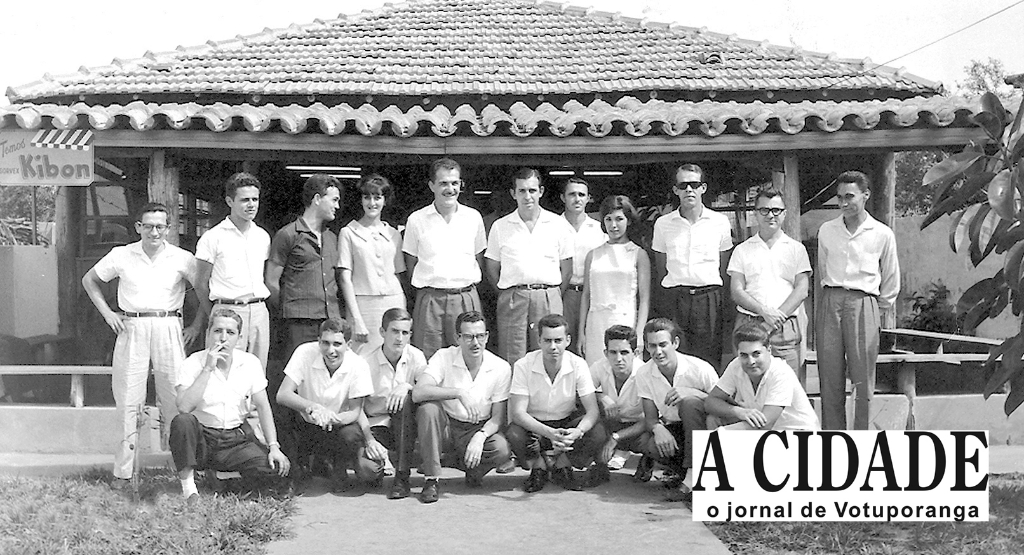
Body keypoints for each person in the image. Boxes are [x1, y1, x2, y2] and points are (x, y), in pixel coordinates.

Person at [82, 202, 202, 490]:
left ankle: (183, 474)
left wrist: (197, 325)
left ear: (169, 228)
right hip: (132, 326)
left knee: (176, 398)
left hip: (168, 325)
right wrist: (108, 313)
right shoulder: (121, 255)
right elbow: (90, 280)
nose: (154, 231)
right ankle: (123, 474)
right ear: (138, 227)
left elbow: (205, 290)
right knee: (128, 399)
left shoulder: (182, 257)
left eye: (160, 226)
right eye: (148, 225)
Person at [169, 309, 290, 501]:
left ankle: (220, 478)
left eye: (230, 333)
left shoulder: (250, 363)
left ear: (239, 338)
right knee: (182, 422)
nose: (223, 338)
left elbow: (263, 406)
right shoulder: (193, 363)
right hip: (203, 438)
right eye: (217, 331)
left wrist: (273, 446)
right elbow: (183, 407)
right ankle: (190, 488)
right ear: (208, 333)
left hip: (234, 439)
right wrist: (208, 368)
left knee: (273, 471)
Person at [816, 170, 900, 430]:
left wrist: (877, 308)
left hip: (864, 303)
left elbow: (891, 276)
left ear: (865, 195)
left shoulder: (882, 233)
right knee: (829, 376)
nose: (843, 203)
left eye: (849, 196)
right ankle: (833, 438)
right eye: (839, 197)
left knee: (863, 378)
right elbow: (822, 268)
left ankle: (861, 439)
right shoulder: (827, 230)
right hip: (831, 301)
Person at [411, 311, 513, 503]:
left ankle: (469, 468)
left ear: (487, 336)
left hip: (476, 428)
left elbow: (498, 418)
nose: (475, 343)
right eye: (468, 337)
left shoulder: (501, 367)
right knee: (428, 409)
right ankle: (431, 479)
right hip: (448, 426)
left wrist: (480, 437)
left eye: (480, 336)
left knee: (500, 449)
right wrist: (458, 392)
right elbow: (418, 392)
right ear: (458, 338)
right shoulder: (443, 356)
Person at [276, 318, 384, 492]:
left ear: (348, 345)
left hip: (338, 425)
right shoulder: (304, 352)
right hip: (307, 422)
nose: (330, 350)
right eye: (325, 343)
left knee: (351, 436)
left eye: (337, 344)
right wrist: (313, 407)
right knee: (282, 414)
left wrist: (332, 418)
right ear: (318, 341)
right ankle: (296, 467)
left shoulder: (358, 365)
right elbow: (283, 394)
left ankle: (338, 465)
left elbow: (355, 410)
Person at [507, 314, 606, 493]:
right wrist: (549, 433)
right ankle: (539, 467)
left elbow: (592, 411)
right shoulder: (523, 365)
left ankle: (562, 465)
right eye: (547, 340)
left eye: (558, 340)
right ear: (539, 341)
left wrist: (578, 432)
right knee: (514, 433)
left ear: (567, 340)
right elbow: (518, 413)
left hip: (566, 422)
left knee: (597, 431)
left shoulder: (578, 364)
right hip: (535, 426)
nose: (553, 347)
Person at [485, 168, 574, 364]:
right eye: (522, 191)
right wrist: (506, 293)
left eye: (532, 190)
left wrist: (552, 294)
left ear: (541, 191)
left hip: (548, 295)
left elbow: (567, 269)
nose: (528, 196)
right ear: (513, 193)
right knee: (512, 354)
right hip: (513, 297)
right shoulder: (500, 226)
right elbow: (491, 267)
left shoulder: (558, 224)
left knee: (549, 353)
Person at [403, 158, 487, 360]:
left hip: (465, 297)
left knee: (468, 357)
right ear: (432, 185)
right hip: (431, 299)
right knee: (428, 359)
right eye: (443, 183)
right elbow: (411, 263)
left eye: (454, 183)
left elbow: (479, 258)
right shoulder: (416, 220)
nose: (450, 189)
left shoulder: (473, 217)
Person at [651, 163, 733, 369]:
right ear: (675, 190)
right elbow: (661, 267)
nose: (689, 189)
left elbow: (724, 266)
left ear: (703, 188)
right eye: (684, 185)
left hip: (708, 299)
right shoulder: (663, 224)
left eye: (694, 185)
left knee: (708, 360)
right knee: (674, 359)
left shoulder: (720, 222)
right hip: (675, 299)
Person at [727, 189, 811, 385]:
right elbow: (737, 291)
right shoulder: (742, 249)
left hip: (785, 326)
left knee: (787, 387)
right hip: (749, 324)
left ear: (784, 213)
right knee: (748, 387)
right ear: (755, 213)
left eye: (776, 210)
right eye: (764, 210)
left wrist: (775, 318)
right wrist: (764, 312)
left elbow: (801, 290)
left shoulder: (796, 249)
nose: (770, 215)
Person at [195, 172, 272, 369]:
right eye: (245, 200)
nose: (251, 205)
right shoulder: (213, 237)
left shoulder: (262, 236)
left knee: (256, 372)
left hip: (258, 310)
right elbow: (200, 284)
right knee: (222, 370)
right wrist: (215, 313)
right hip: (226, 309)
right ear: (230, 201)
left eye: (255, 199)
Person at [635, 318, 718, 501]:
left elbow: (722, 405)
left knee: (689, 404)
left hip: (704, 429)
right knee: (649, 444)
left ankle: (691, 479)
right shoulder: (644, 373)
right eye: (652, 346)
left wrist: (692, 392)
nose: (658, 352)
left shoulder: (699, 368)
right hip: (676, 427)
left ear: (675, 343)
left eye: (663, 344)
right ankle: (686, 472)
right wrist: (658, 429)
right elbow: (650, 418)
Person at [266, 174, 343, 358]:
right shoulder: (287, 235)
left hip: (330, 320)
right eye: (334, 200)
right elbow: (271, 281)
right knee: (299, 373)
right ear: (317, 199)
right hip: (298, 323)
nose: (337, 206)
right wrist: (291, 308)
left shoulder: (332, 238)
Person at [360, 308, 427, 499]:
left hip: (407, 424)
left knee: (405, 400)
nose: (399, 338)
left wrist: (407, 385)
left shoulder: (416, 356)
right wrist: (369, 440)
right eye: (394, 331)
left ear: (410, 335)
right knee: (368, 471)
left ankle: (402, 477)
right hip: (376, 425)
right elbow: (357, 407)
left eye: (405, 333)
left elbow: (427, 386)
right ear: (382, 332)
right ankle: (381, 464)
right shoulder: (366, 362)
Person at [338, 174, 407, 355]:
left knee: (393, 353)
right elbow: (345, 278)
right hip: (363, 305)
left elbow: (399, 274)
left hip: (394, 301)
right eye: (367, 197)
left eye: (377, 197)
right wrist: (356, 318)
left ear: (385, 200)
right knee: (362, 356)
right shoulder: (348, 232)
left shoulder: (394, 234)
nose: (372, 203)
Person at [578, 195, 651, 366]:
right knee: (596, 372)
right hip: (596, 323)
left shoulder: (638, 254)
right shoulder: (593, 254)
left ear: (629, 221)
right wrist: (582, 332)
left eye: (619, 219)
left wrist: (639, 334)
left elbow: (645, 299)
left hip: (625, 319)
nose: (613, 225)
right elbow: (586, 296)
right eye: (608, 219)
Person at [705, 323, 819, 431]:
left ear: (769, 350)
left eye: (756, 354)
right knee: (713, 419)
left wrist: (722, 433)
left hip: (799, 435)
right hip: (767, 435)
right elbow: (711, 401)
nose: (751, 361)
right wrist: (738, 411)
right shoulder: (736, 365)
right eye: (744, 355)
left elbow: (765, 423)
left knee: (720, 433)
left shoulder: (781, 372)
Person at [585, 325, 647, 487]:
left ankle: (648, 460)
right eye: (613, 352)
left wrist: (615, 438)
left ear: (636, 353)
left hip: (637, 428)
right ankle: (599, 463)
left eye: (624, 352)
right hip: (611, 423)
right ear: (606, 353)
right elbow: (581, 394)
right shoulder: (599, 367)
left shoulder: (646, 373)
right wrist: (601, 396)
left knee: (652, 442)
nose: (618, 359)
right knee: (590, 416)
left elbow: (651, 419)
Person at [560, 178, 607, 355]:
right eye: (572, 194)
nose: (577, 199)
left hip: (593, 295)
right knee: (562, 345)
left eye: (582, 194)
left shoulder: (599, 229)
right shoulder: (553, 226)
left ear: (589, 198)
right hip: (564, 294)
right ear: (563, 198)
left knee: (590, 345)